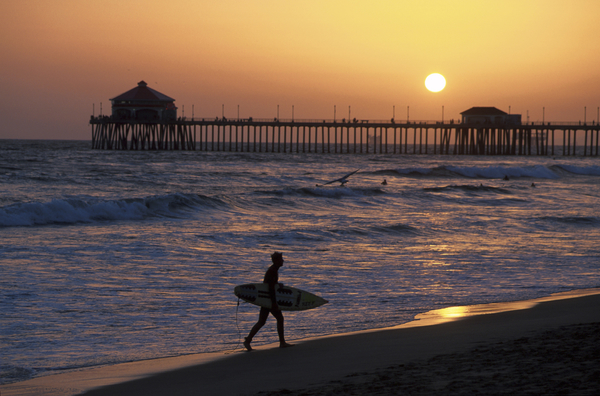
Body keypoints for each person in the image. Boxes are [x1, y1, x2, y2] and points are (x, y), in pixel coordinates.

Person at [244, 252, 292, 351]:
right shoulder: (272, 271)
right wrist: (274, 303)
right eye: (281, 259)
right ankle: (282, 342)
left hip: (266, 300)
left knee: (261, 322)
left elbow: (271, 285)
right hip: (269, 300)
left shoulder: (273, 270)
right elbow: (270, 289)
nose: (283, 261)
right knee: (279, 318)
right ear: (276, 261)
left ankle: (248, 340)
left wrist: (278, 285)